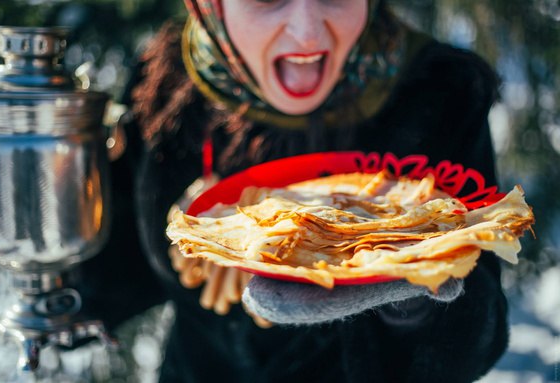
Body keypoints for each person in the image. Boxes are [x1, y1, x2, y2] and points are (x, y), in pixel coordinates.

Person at [79, 0, 509, 381]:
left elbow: (475, 345)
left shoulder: (439, 90)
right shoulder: (169, 80)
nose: (307, 33)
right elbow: (108, 279)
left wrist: (414, 293)